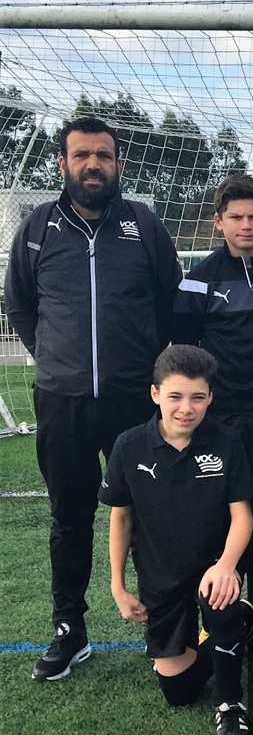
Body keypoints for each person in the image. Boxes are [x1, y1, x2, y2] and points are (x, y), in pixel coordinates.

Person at [4, 116, 182, 681]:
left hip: (133, 401)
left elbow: (169, 299)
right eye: (81, 155)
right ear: (63, 163)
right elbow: (20, 304)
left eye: (103, 155)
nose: (93, 165)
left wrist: (141, 359)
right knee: (70, 518)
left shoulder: (143, 225)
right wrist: (55, 358)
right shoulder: (37, 227)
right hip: (63, 402)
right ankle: (69, 629)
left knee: (150, 513)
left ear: (118, 163)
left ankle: (164, 626)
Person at [171, 174, 253, 653]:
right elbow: (184, 357)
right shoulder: (197, 279)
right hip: (218, 421)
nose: (245, 225)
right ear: (218, 221)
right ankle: (217, 615)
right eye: (235, 217)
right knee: (218, 517)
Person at [99, 346, 253, 735]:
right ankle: (240, 625)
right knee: (179, 692)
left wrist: (227, 565)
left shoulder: (226, 441)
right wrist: (117, 585)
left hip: (213, 566)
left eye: (197, 397)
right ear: (155, 394)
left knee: (218, 597)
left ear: (210, 398)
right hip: (161, 574)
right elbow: (121, 518)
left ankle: (230, 702)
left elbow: (242, 515)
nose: (186, 408)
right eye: (175, 396)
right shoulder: (129, 445)